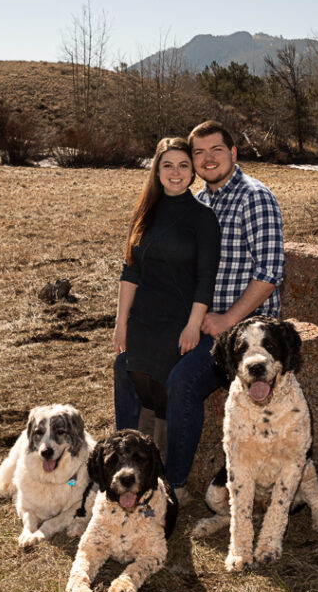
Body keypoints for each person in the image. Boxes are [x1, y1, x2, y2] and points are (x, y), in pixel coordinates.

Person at [114, 121, 285, 502]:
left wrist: (226, 321)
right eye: (200, 153)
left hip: (242, 331)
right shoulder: (202, 200)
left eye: (216, 151)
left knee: (181, 382)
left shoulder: (254, 197)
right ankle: (124, 464)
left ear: (233, 153)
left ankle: (172, 484)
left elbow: (270, 272)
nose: (207, 159)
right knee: (128, 364)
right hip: (200, 319)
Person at [114, 137, 221, 464]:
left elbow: (206, 278)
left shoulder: (203, 217)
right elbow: (130, 271)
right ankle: (130, 462)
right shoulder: (144, 211)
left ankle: (163, 471)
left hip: (178, 322)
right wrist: (120, 324)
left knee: (164, 388)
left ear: (192, 172)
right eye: (168, 165)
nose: (176, 172)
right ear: (157, 170)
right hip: (144, 320)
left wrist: (192, 327)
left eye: (183, 165)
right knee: (132, 375)